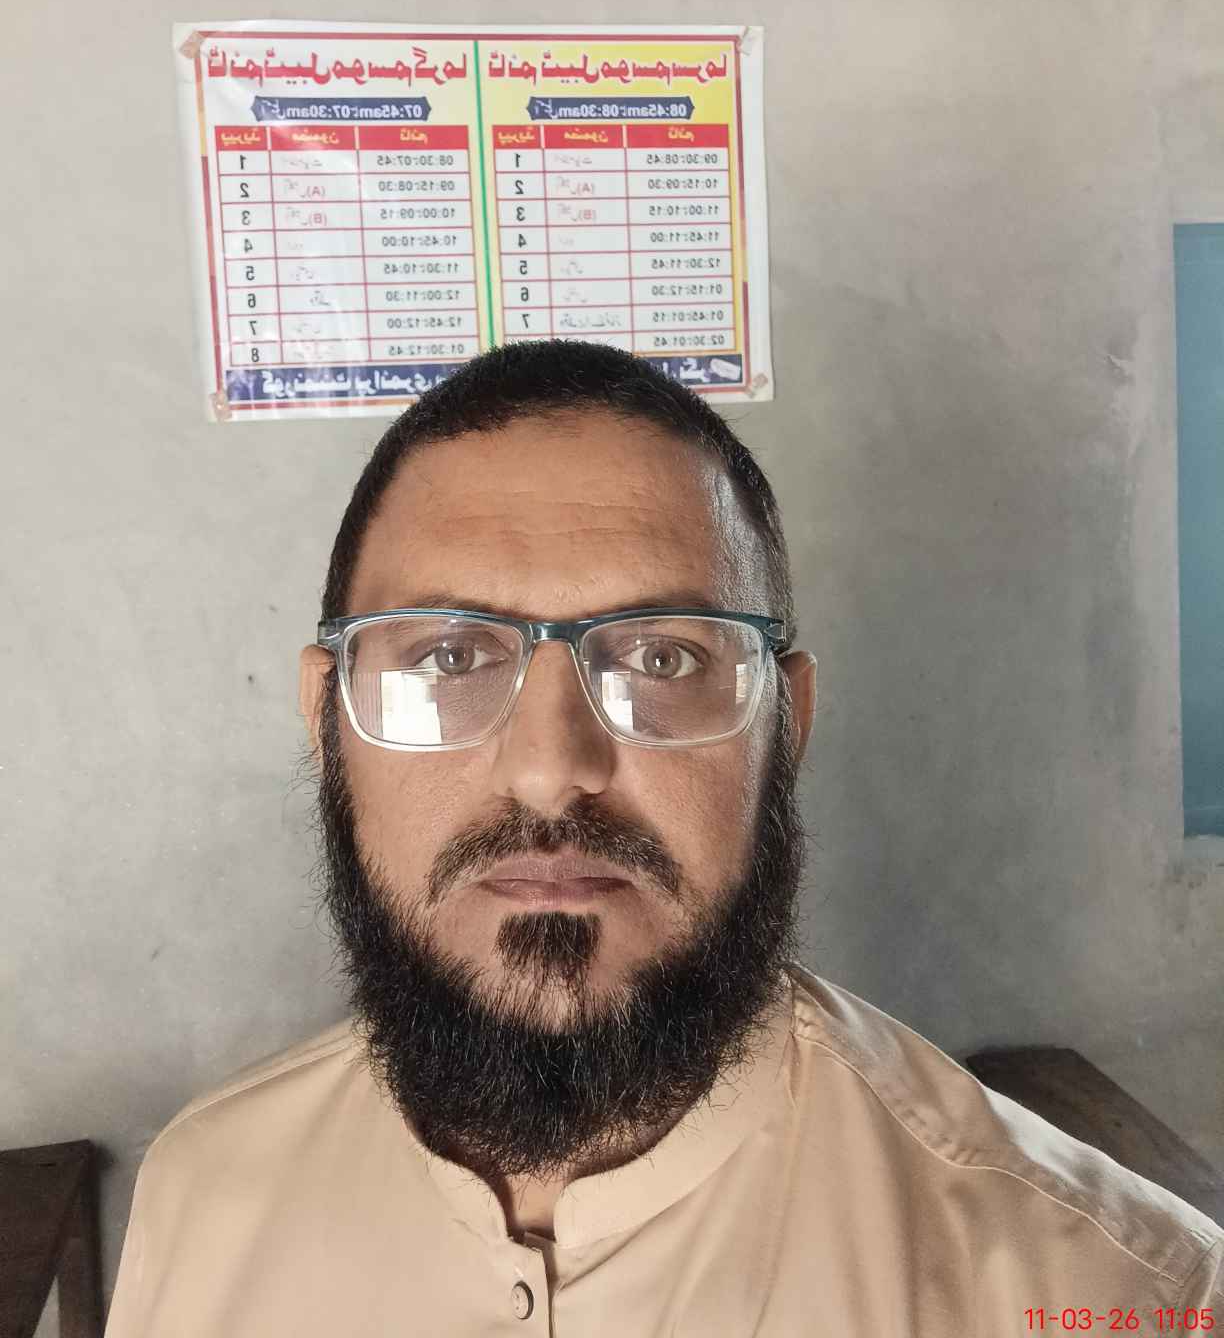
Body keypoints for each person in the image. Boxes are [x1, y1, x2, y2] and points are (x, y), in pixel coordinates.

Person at [106, 341, 1221, 1336]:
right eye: (448, 657)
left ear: (787, 727)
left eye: (665, 658)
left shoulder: (1121, 1293)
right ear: (326, 721)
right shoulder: (204, 1197)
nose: (551, 767)